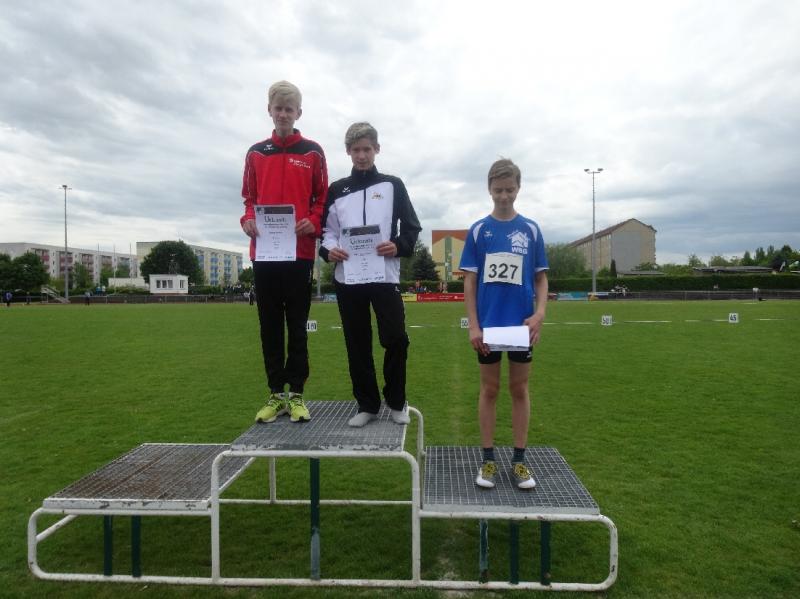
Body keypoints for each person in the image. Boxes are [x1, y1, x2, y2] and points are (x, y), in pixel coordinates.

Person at [320, 122, 421, 427]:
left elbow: (412, 227)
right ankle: (367, 405)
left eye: (366, 149)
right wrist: (330, 251)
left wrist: (398, 245)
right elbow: (327, 232)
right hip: (348, 278)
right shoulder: (337, 190)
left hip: (384, 276)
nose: (361, 155)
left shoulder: (393, 185)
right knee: (357, 343)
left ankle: (397, 401)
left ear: (377, 149)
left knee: (396, 339)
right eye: (356, 150)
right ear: (348, 152)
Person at [240, 80, 328, 424]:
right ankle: (276, 394)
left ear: (298, 113)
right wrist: (248, 220)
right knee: (270, 327)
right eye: (278, 108)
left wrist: (313, 221)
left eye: (289, 109)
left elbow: (322, 198)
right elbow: (249, 199)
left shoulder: (312, 152)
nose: (283, 114)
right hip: (264, 254)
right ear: (269, 110)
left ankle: (298, 395)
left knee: (297, 327)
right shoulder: (255, 153)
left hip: (299, 253)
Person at [459, 158, 549, 490]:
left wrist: (540, 313)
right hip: (489, 327)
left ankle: (520, 461)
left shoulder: (531, 230)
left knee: (519, 389)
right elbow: (469, 282)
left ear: (518, 188)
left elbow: (541, 278)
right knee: (490, 390)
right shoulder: (479, 230)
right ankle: (488, 461)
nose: (504, 196)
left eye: (510, 189)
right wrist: (473, 326)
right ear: (489, 189)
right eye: (498, 190)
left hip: (521, 326)